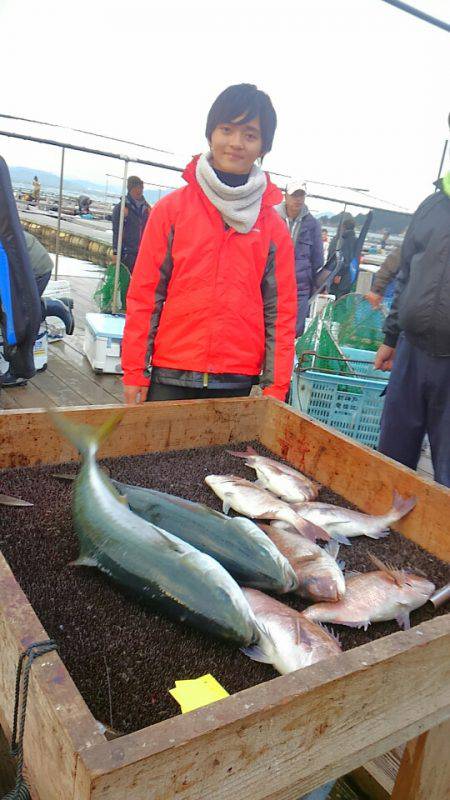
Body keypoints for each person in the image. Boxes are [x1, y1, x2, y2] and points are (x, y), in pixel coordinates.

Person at [121, 83, 297, 405]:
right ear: (210, 134)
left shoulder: (273, 227)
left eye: (250, 134)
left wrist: (276, 388)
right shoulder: (171, 211)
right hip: (170, 369)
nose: (235, 143)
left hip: (236, 378)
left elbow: (281, 313)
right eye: (226, 129)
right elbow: (146, 294)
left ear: (263, 146)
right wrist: (135, 371)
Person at [375, 170, 450, 487]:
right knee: (392, 455)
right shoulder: (432, 205)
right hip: (410, 350)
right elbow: (405, 274)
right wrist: (391, 336)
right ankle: (385, 530)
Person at [1, 231, 75, 386]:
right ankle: (52, 305)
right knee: (16, 312)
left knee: (17, 318)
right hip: (20, 264)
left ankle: (19, 373)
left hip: (33, 268)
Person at [275, 181, 323, 336]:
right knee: (265, 328)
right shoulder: (271, 217)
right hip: (271, 284)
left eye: (301, 195)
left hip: (299, 287)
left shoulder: (313, 224)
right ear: (286, 196)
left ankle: (289, 360)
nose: (298, 199)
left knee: (293, 332)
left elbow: (318, 258)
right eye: (294, 195)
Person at [112, 176, 150, 273]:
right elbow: (116, 231)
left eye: (141, 187)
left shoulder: (147, 208)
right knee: (125, 281)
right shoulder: (121, 207)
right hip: (127, 252)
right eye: (137, 187)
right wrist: (116, 252)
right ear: (130, 189)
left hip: (143, 252)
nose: (139, 190)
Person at [328, 217, 356, 299]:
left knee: (335, 297)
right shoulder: (354, 239)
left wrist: (339, 274)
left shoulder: (346, 239)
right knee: (342, 298)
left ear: (343, 226)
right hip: (348, 275)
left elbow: (346, 258)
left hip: (340, 275)